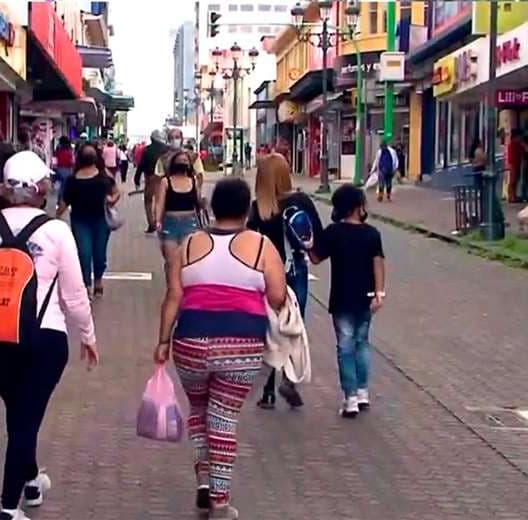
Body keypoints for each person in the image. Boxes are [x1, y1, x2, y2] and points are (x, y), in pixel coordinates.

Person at [0, 150, 98, 520]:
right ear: (41, 188)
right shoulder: (56, 231)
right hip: (43, 341)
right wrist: (88, 334)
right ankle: (8, 507)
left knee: (20, 413)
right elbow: (74, 294)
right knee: (25, 420)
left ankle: (31, 481)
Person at [155, 178, 286, 519]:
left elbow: (173, 296)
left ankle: (203, 484)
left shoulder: (188, 245)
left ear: (212, 207)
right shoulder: (261, 246)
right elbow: (277, 296)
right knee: (224, 417)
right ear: (246, 209)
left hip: (190, 341)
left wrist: (163, 341)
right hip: (241, 345)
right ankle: (220, 502)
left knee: (199, 411)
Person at [247, 152, 322, 409]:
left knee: (271, 330)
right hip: (295, 271)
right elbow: (317, 239)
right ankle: (289, 380)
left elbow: (249, 242)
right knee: (293, 326)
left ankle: (268, 390)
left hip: (266, 274)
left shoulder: (258, 208)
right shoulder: (300, 201)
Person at [307, 184, 385, 417]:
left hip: (341, 299)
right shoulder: (372, 234)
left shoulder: (333, 232)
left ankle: (350, 398)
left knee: (345, 347)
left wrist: (307, 244)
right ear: (358, 207)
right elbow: (378, 264)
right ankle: (363, 392)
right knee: (362, 343)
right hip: (366, 298)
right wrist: (379, 293)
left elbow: (316, 258)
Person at [57, 143, 120, 298]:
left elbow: (116, 191)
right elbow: (65, 201)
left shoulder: (103, 175)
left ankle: (97, 281)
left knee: (99, 255)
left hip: (100, 221)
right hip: (80, 222)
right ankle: (86, 285)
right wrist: (55, 217)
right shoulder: (73, 179)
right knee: (84, 254)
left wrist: (112, 200)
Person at [154, 150, 202, 268]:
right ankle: (171, 280)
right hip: (170, 224)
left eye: (185, 160)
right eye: (180, 161)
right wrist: (158, 221)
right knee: (171, 261)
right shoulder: (166, 182)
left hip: (190, 223)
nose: (183, 163)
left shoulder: (193, 181)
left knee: (188, 261)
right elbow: (160, 203)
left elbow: (198, 203)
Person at [135, 130, 169, 233]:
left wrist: (137, 178)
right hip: (164, 177)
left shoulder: (147, 150)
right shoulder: (167, 149)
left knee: (148, 201)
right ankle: (162, 221)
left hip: (150, 177)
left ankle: (151, 223)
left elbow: (141, 165)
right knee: (163, 199)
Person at [53, 135, 74, 201]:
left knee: (59, 186)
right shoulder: (69, 150)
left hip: (59, 169)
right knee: (65, 186)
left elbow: (54, 160)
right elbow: (71, 161)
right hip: (67, 170)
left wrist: (54, 168)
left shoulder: (57, 150)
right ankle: (64, 200)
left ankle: (59, 199)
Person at [507, 129, 523, 203]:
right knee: (513, 180)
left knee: (515, 180)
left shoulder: (518, 144)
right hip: (513, 163)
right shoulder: (513, 144)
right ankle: (511, 196)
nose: (520, 138)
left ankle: (513, 195)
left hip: (517, 163)